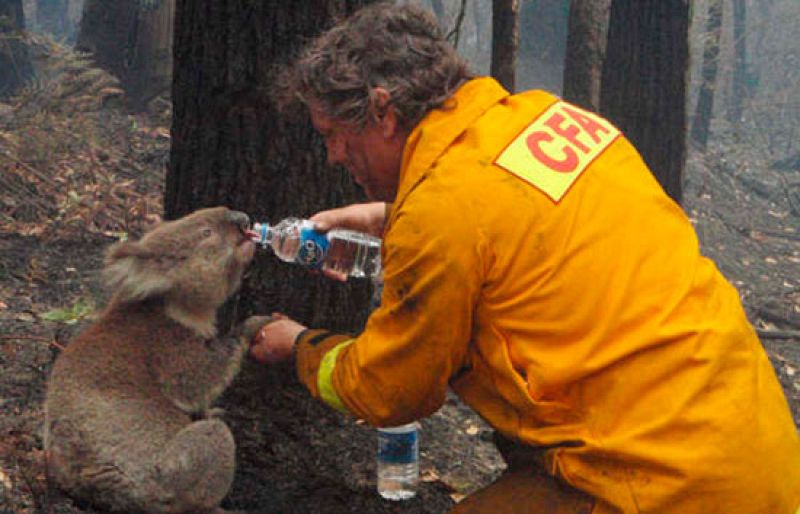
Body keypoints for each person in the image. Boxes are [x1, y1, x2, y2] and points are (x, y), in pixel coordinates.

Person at [249, 3, 800, 513]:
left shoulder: (443, 213)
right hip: (757, 448)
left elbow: (391, 390)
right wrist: (388, 218)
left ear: (383, 112)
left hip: (661, 485)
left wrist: (300, 346)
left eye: (334, 135)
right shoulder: (546, 118)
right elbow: (517, 227)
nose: (332, 155)